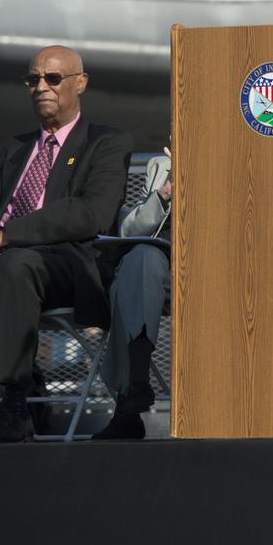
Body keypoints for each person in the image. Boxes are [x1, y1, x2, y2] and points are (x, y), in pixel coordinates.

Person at [0, 46, 131, 442]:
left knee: (17, 263)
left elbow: (90, 215)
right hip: (1, 263)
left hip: (67, 262)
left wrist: (5, 237)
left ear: (80, 83)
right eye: (32, 79)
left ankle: (14, 404)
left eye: (53, 79)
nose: (40, 87)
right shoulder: (9, 150)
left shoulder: (107, 142)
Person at [91, 151, 171, 440]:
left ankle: (126, 405)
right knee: (140, 259)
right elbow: (129, 229)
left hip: (219, 268)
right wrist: (165, 193)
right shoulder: (161, 167)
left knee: (130, 278)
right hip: (166, 273)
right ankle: (136, 382)